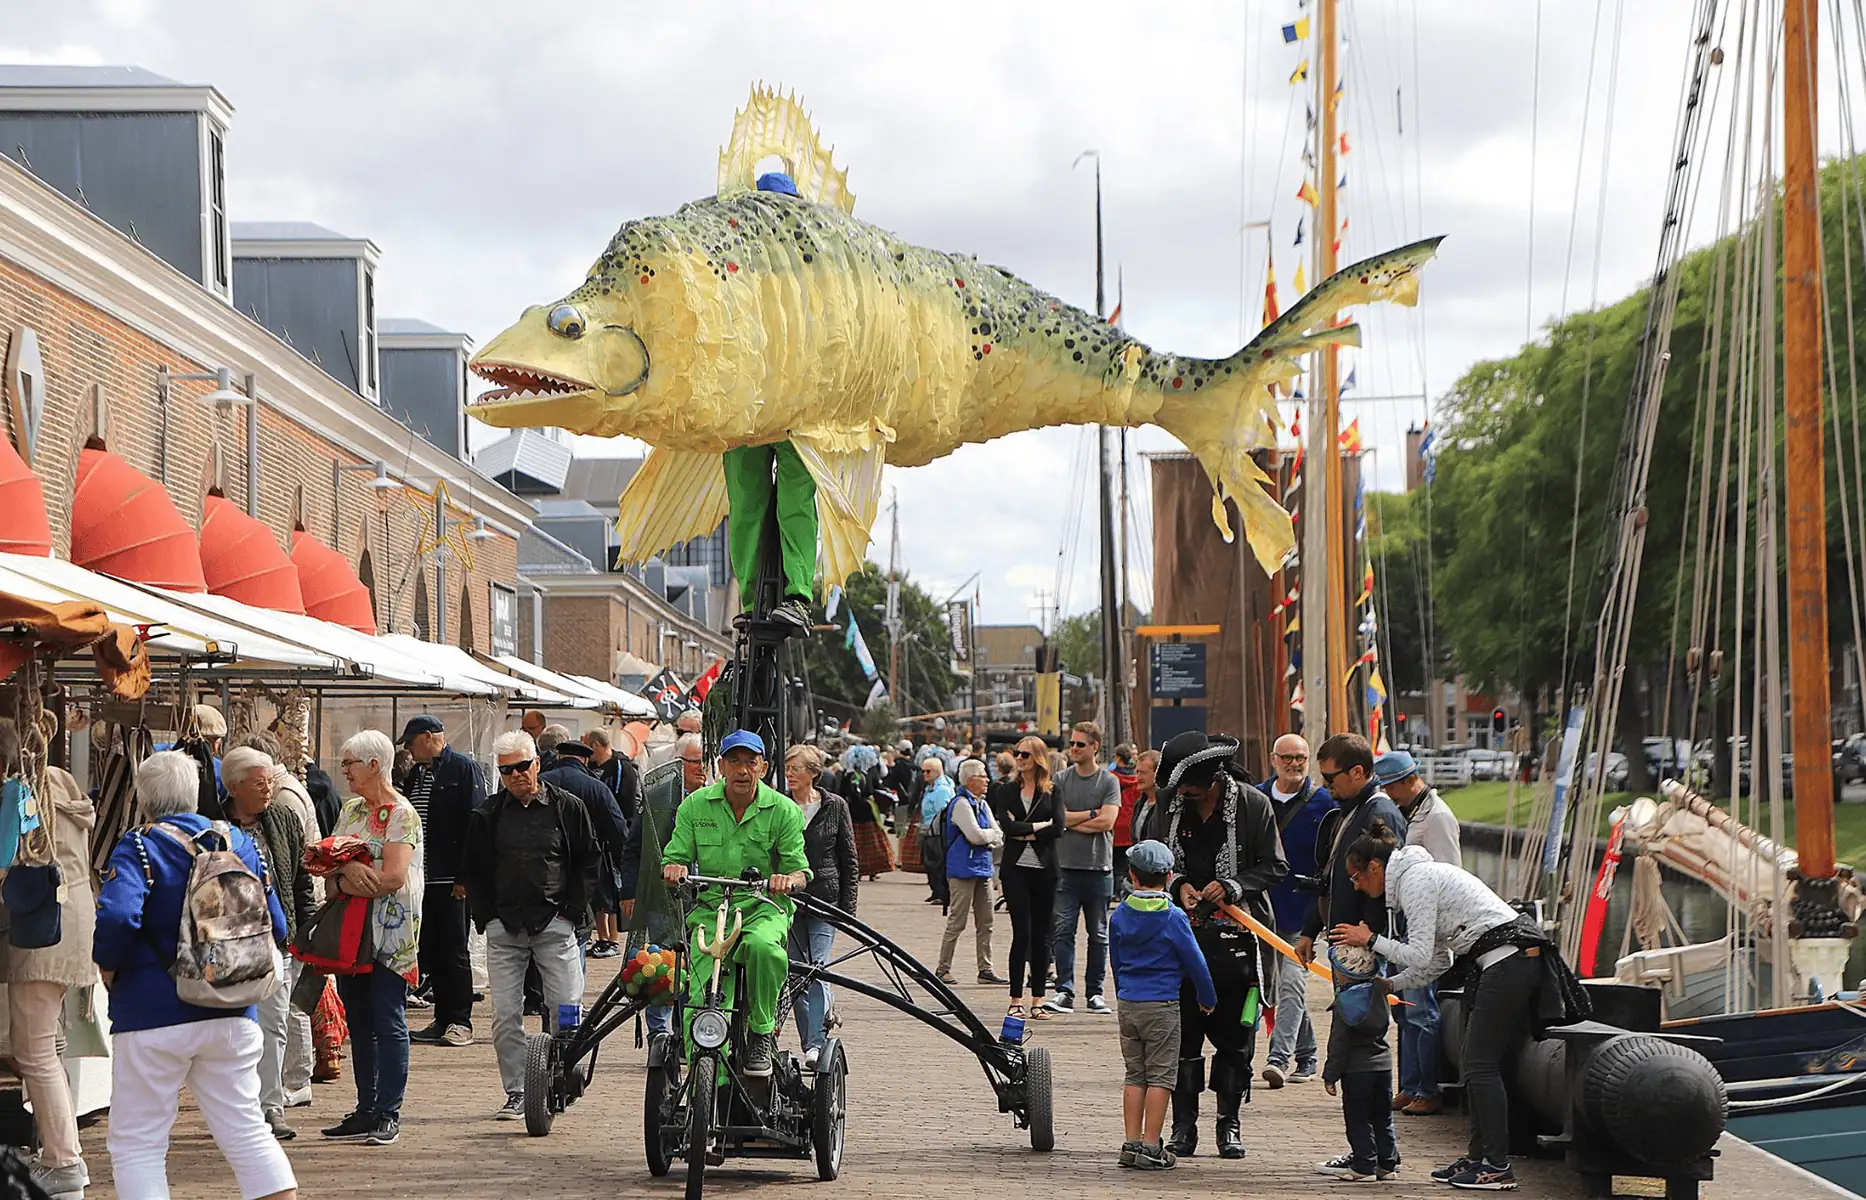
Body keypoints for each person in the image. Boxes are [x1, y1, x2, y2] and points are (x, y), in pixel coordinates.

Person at [94, 750, 296, 1199]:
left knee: (138, 1143)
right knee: (248, 1133)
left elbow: (118, 916)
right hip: (233, 1009)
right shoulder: (238, 843)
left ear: (143, 798)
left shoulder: (140, 846)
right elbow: (278, 926)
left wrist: (107, 964)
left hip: (151, 1013)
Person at [1332, 821, 1561, 1191]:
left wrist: (1371, 940)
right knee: (1476, 1062)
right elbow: (1439, 961)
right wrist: (1391, 984)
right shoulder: (1415, 880)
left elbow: (1419, 954)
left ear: (1374, 867)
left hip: (1510, 959)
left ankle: (1496, 1166)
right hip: (1501, 961)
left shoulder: (1415, 881)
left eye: (1356, 877)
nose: (1357, 886)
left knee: (1480, 1063)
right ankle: (1479, 1157)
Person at [1153, 730, 1289, 1161]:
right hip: (1181, 941)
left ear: (1212, 778)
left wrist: (1232, 886)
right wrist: (1178, 884)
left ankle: (1229, 1123)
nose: (1183, 795)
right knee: (1183, 1039)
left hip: (1240, 946)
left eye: (1190, 788)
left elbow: (1275, 866)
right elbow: (1151, 856)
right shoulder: (1168, 804)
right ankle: (1183, 1126)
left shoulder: (1253, 804)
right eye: (1178, 789)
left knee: (1236, 1041)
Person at [464, 731, 600, 1119]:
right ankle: (518, 1091)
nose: (516, 775)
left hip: (555, 925)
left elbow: (589, 860)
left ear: (537, 764)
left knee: (567, 1007)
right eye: (507, 770)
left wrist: (571, 912)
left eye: (523, 766)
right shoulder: (488, 814)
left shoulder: (567, 807)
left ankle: (563, 1074)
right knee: (505, 1015)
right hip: (505, 928)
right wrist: (487, 917)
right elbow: (473, 870)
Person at [660, 730, 811, 1076]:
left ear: (763, 767)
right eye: (734, 761)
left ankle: (761, 1033)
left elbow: (800, 870)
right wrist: (674, 867)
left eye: (750, 762)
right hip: (712, 909)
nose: (742, 770)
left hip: (763, 907)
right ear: (721, 766)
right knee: (700, 995)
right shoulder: (695, 805)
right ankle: (704, 1082)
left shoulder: (783, 810)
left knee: (763, 949)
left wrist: (787, 880)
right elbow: (675, 855)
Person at [0, 721, 97, 1199]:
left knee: (33, 1049)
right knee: (48, 1045)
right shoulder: (59, 781)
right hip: (72, 917)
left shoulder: (19, 794)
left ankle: (63, 1161)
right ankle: (60, 1156)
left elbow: (4, 862)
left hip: (42, 928)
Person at [321, 730, 422, 1147]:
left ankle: (387, 1112)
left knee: (388, 1019)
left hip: (391, 935)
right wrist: (346, 872)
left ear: (375, 765)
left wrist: (346, 876)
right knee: (359, 1021)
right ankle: (366, 1107)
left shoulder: (402, 814)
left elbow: (393, 878)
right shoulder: (350, 810)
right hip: (353, 931)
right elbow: (328, 864)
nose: (344, 771)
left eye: (350, 763)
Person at [221, 747, 316, 1142]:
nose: (267, 790)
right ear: (233, 787)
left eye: (269, 783)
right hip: (226, 941)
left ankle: (270, 1107)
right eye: (258, 783)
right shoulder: (214, 824)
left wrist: (304, 931)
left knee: (274, 1022)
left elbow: (300, 880)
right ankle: (235, 1107)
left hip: (276, 939)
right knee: (232, 1028)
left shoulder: (283, 819)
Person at [1109, 840, 1217, 1173]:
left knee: (1135, 1074)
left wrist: (1122, 990)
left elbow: (1115, 959)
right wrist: (1207, 997)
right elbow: (1195, 962)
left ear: (1132, 876)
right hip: (1162, 1004)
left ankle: (1130, 1143)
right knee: (1161, 1077)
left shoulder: (1120, 914)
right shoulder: (1173, 917)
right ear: (1169, 877)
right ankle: (1151, 1145)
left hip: (1129, 1001)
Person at [1374, 748, 1460, 1117]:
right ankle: (1409, 1085)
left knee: (1422, 1010)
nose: (1389, 795)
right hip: (1406, 919)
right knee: (1405, 1011)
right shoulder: (1410, 811)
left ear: (1411, 780)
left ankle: (1427, 1088)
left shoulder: (1437, 817)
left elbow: (1449, 872)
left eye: (1392, 787)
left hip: (1425, 923)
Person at [398, 715, 486, 1049]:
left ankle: (460, 1021)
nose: (409, 749)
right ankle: (442, 1018)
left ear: (428, 737)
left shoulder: (463, 769)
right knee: (431, 950)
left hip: (451, 878)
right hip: (422, 879)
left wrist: (465, 876)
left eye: (411, 742)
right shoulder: (417, 774)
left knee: (453, 951)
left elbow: (475, 824)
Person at [620, 731, 707, 1041]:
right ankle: (659, 1034)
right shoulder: (658, 799)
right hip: (662, 896)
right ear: (678, 763)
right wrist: (629, 891)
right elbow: (634, 847)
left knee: (696, 966)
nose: (701, 768)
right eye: (694, 762)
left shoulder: (717, 799)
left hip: (703, 898)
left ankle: (687, 1034)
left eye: (705, 761)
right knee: (661, 962)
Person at [1260, 733, 1335, 1089]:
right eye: (1287, 757)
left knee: (1291, 982)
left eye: (1301, 758)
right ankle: (1307, 1054)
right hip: (1261, 910)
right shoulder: (1256, 798)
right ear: (1274, 759)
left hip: (1302, 914)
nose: (1294, 764)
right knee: (1277, 986)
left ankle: (1279, 1058)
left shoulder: (1324, 804)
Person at [1299, 733, 1407, 968]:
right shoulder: (1347, 812)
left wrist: (1368, 938)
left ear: (1357, 772)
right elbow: (1329, 877)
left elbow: (1384, 886)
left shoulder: (1380, 814)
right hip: (1346, 941)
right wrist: (1310, 929)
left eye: (1330, 777)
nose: (1325, 784)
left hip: (1364, 946)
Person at [784, 745, 856, 1069]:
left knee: (818, 969)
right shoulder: (779, 805)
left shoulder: (835, 806)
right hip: (790, 899)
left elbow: (848, 858)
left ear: (813, 773)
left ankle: (815, 1045)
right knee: (796, 973)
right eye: (787, 768)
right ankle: (812, 1038)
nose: (789, 774)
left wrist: (848, 909)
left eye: (796, 768)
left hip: (825, 899)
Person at [1044, 722, 1121, 1016]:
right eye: (1072, 743)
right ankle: (1064, 990)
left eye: (1080, 744)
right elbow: (1057, 819)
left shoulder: (1109, 781)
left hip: (1098, 868)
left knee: (1098, 934)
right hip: (1065, 867)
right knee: (1063, 930)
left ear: (1094, 747)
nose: (1073, 748)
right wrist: (1091, 814)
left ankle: (1095, 992)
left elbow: (1108, 822)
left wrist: (1073, 821)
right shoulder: (1061, 779)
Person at [1314, 941, 1399, 1183]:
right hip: (1383, 1066)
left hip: (1356, 1070)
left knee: (1358, 1118)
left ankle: (1363, 1165)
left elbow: (1339, 1045)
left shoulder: (1345, 1002)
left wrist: (1330, 1075)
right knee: (1382, 1118)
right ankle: (1387, 1163)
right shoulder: (1379, 992)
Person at [989, 735, 1060, 1021]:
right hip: (1016, 868)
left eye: (1025, 755)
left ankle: (1038, 999)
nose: (1019, 759)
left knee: (1043, 935)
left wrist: (1026, 830)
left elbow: (1058, 827)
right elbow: (1007, 827)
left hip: (1045, 869)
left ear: (1038, 759)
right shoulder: (1006, 790)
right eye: (1017, 753)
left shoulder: (1052, 791)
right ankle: (1015, 999)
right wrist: (1039, 826)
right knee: (1022, 933)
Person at [540, 735, 628, 958]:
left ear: (559, 757)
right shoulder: (596, 788)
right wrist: (624, 867)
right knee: (579, 929)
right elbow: (617, 830)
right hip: (588, 868)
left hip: (543, 867)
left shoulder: (540, 783)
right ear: (585, 760)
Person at [935, 760, 1005, 986]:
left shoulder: (982, 804)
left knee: (986, 921)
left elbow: (998, 834)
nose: (987, 780)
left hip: (982, 868)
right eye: (982, 775)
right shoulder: (961, 804)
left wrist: (989, 836)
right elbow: (975, 836)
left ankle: (985, 969)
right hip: (961, 869)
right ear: (969, 780)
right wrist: (990, 836)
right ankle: (943, 968)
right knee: (957, 921)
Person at [918, 757, 955, 907]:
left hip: (938, 830)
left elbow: (942, 812)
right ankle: (935, 891)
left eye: (928, 771)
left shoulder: (943, 790)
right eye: (923, 771)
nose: (925, 774)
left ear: (937, 771)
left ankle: (942, 893)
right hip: (928, 828)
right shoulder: (930, 788)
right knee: (929, 862)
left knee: (937, 862)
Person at [1111, 743, 1140, 895]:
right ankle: (1124, 891)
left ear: (1117, 758)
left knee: (1114, 863)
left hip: (1114, 824)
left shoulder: (1111, 778)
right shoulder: (1136, 779)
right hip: (1130, 826)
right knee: (1126, 863)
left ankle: (1115, 892)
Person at [1131, 748, 1160, 842]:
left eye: (1143, 773)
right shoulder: (1140, 803)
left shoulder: (1166, 807)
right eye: (1137, 772)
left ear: (1157, 774)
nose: (1138, 777)